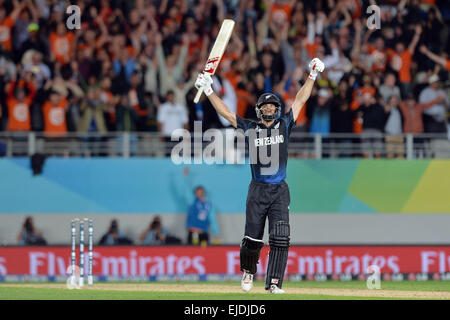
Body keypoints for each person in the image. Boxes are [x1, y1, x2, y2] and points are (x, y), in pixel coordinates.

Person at [194, 57, 325, 293]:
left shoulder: (285, 124)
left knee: (281, 237)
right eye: (265, 107)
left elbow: (301, 98)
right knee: (252, 239)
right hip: (257, 189)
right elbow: (226, 113)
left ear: (277, 109)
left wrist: (312, 75)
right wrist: (209, 90)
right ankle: (247, 273)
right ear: (259, 110)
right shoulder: (250, 128)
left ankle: (274, 283)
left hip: (279, 190)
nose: (269, 109)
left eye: (272, 106)